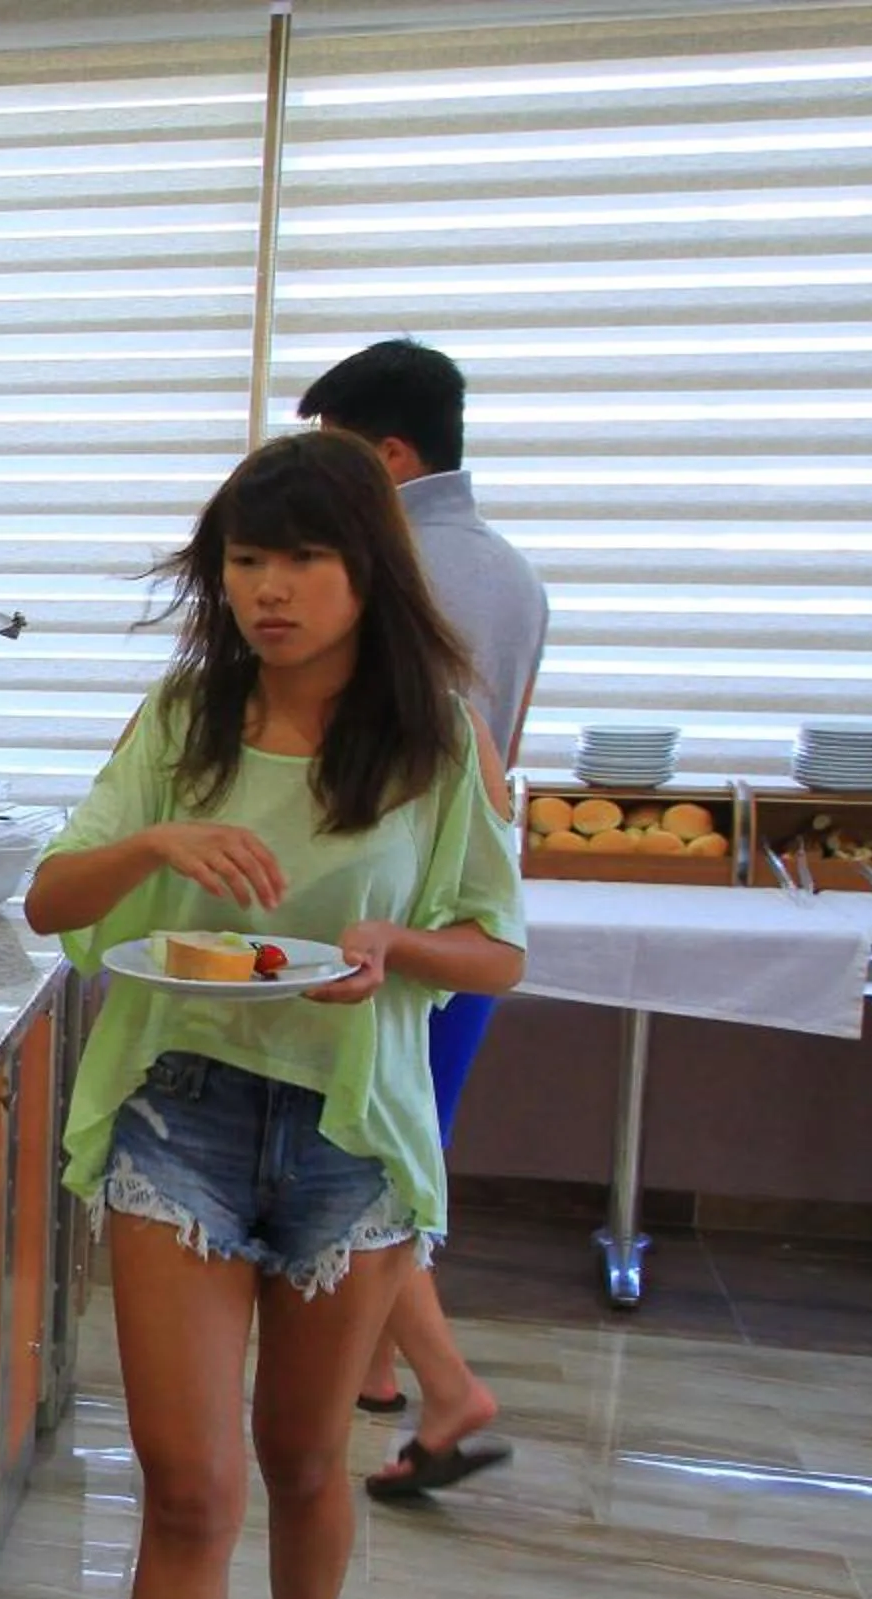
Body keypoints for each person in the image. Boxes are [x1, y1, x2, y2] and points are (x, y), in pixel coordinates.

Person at [24, 430, 527, 1599]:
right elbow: (55, 899)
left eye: (300, 558)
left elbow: (496, 948)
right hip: (176, 1114)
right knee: (191, 1491)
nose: (268, 590)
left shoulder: (435, 732)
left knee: (305, 1460)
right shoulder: (185, 718)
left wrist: (398, 952)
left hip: (349, 1136)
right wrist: (159, 843)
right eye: (246, 560)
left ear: (366, 568)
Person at [297, 337, 552, 1499]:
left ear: (389, 453)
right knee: (393, 1147)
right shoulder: (511, 569)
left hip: (391, 918)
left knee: (365, 1153)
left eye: (331, 451)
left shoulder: (398, 567)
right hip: (460, 909)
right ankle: (394, 1376)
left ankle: (443, 1387)